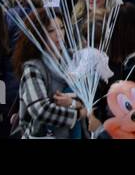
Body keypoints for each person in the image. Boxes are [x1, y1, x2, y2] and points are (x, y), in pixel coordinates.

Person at [14, 10, 92, 139]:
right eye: (51, 31)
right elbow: (40, 110)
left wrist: (73, 103)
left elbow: (92, 95)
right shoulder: (34, 68)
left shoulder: (75, 58)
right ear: (38, 35)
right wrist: (77, 114)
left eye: (61, 28)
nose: (59, 34)